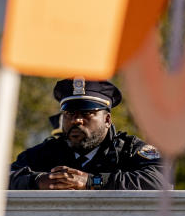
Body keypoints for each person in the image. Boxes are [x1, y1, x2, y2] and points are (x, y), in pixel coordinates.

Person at [9, 78, 164, 190]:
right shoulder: (46, 152)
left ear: (107, 120)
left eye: (87, 113)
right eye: (70, 113)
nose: (77, 120)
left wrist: (93, 181)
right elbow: (1, 179)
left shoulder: (128, 150)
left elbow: (160, 180)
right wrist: (37, 181)